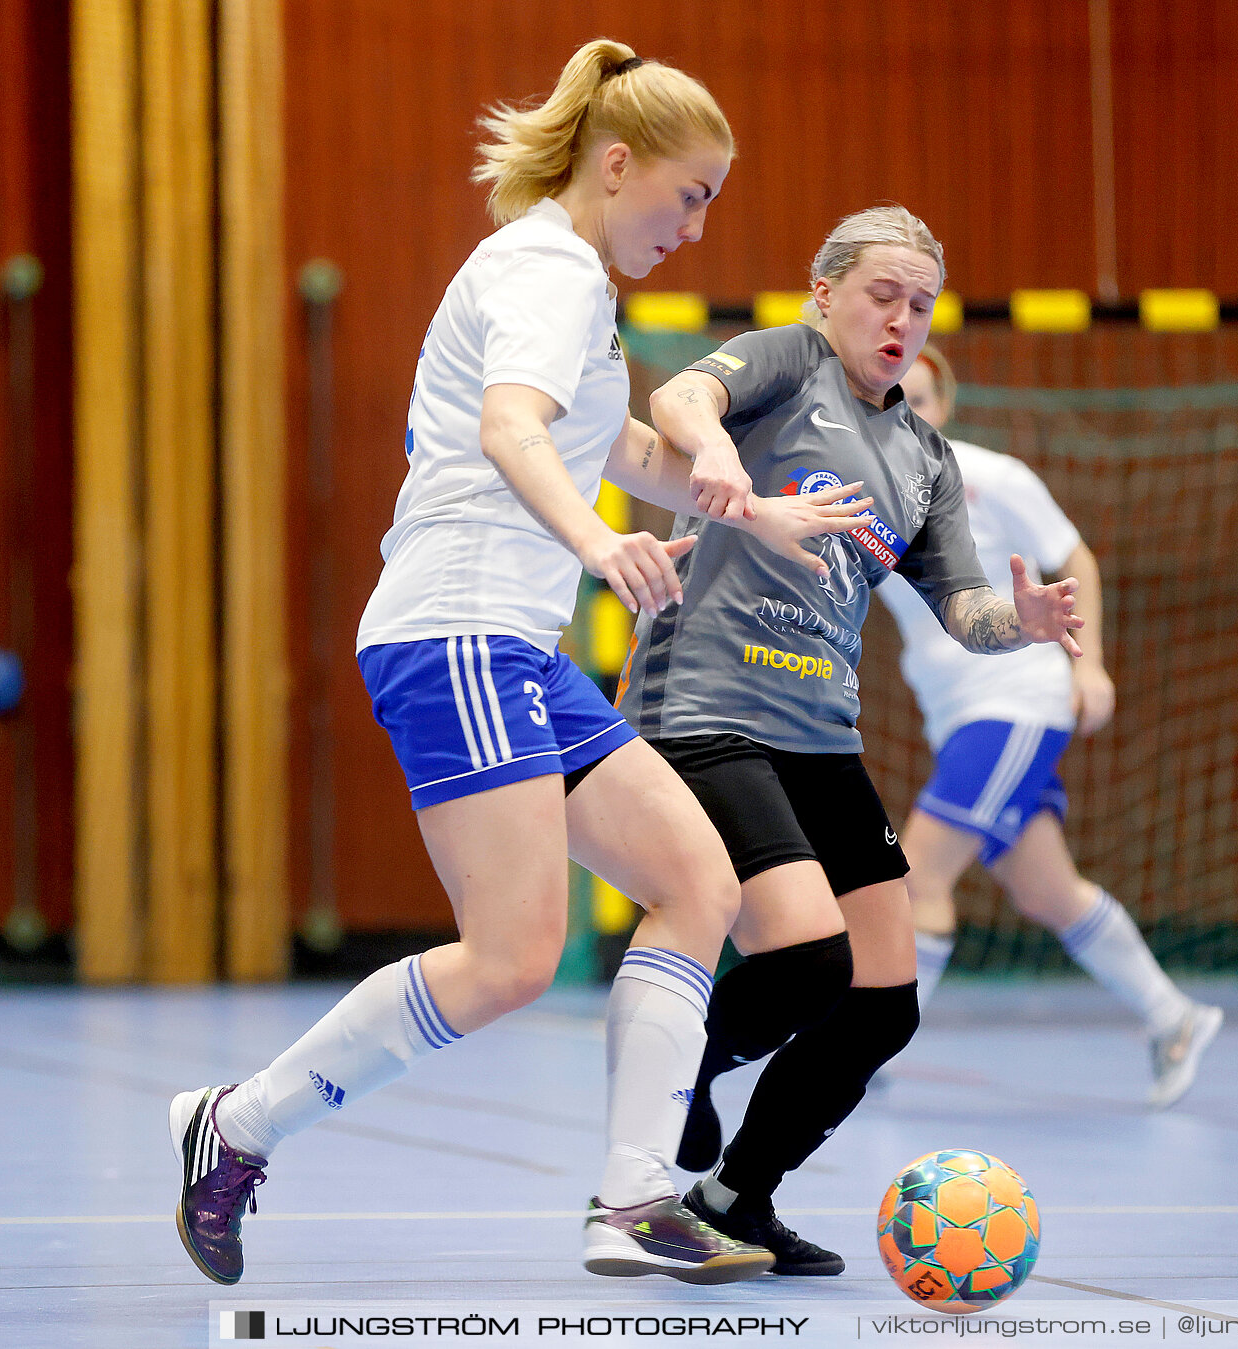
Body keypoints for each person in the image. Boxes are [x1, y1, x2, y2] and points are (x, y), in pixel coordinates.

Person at [168, 40, 869, 1287]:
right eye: (691, 193)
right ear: (618, 166)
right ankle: (235, 1125)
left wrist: (759, 510)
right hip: (458, 630)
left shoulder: (578, 292)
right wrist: (602, 545)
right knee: (508, 960)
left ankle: (634, 1200)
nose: (699, 227)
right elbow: (511, 431)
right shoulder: (546, 267)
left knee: (696, 882)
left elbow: (634, 456)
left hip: (516, 648)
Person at [616, 206, 1085, 1274]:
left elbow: (963, 609)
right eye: (883, 292)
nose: (901, 318)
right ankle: (682, 1063)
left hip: (820, 731)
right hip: (708, 705)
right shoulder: (789, 362)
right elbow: (678, 394)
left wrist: (1028, 624)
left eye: (920, 303)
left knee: (884, 999)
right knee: (806, 954)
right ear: (824, 292)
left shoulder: (925, 458)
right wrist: (719, 448)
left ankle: (737, 1196)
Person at [876, 345, 1221, 1110]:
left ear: (947, 404)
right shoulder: (870, 494)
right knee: (1046, 888)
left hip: (1016, 702)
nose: (909, 411)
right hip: (957, 714)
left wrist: (1087, 666)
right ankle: (1175, 1015)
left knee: (921, 877)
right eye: (895, 397)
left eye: (923, 398)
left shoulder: (993, 479)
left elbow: (1077, 561)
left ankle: (870, 1050)